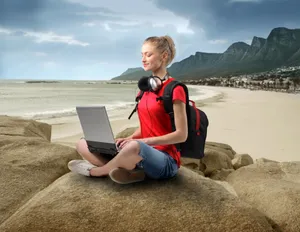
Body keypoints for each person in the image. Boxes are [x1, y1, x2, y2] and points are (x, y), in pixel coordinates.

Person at [68, 35, 188, 184]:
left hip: (166, 160)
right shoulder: (144, 90)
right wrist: (129, 138)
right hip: (140, 154)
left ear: (164, 56)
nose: (143, 59)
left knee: (134, 147)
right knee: (83, 143)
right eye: (142, 55)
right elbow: (147, 125)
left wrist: (141, 143)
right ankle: (131, 172)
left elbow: (181, 135)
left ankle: (97, 171)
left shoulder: (175, 89)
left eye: (148, 54)